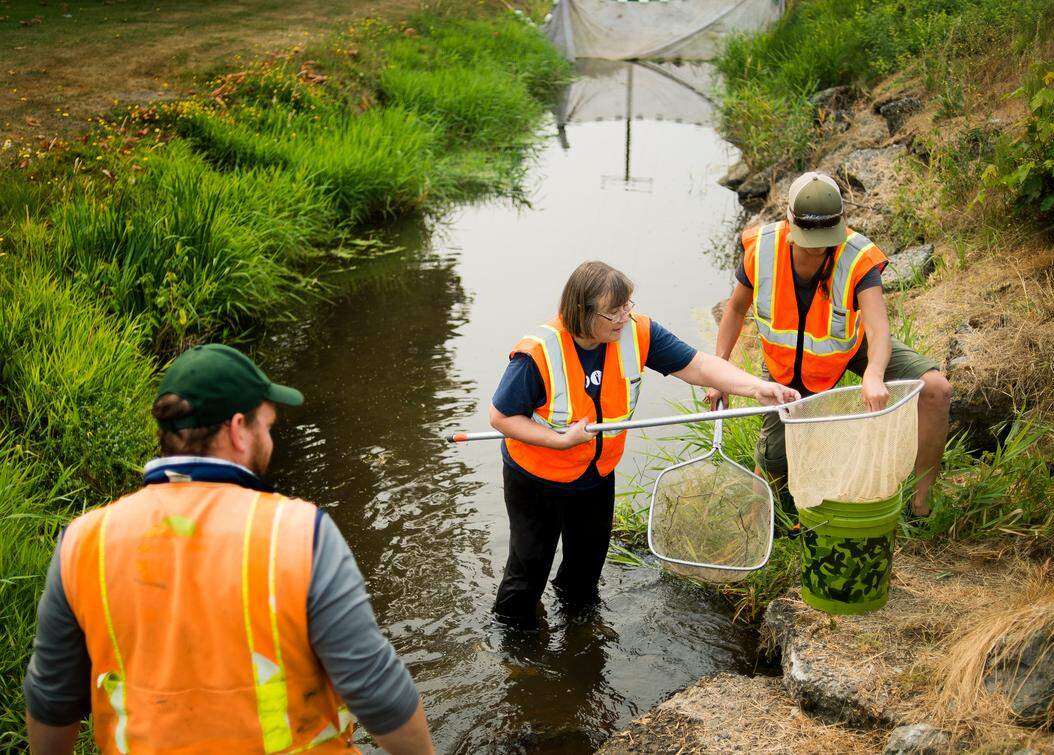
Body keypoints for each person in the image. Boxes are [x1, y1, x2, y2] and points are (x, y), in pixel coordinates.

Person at [23, 344, 435, 755]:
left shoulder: (82, 541)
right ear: (238, 429)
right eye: (267, 427)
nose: (268, 441)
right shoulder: (298, 533)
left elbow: (51, 700)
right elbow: (376, 690)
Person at [489, 261, 800, 625]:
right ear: (581, 312)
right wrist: (558, 441)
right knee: (528, 571)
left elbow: (699, 366)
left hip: (595, 476)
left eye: (627, 306)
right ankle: (516, 650)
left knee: (586, 571)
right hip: (536, 480)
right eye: (613, 312)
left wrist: (757, 387)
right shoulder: (538, 353)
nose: (623, 318)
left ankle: (579, 636)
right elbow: (501, 417)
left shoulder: (637, 332)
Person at [706, 172, 952, 516]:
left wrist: (875, 374)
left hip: (847, 345)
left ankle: (920, 505)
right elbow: (734, 309)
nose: (818, 245)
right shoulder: (762, 249)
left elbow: (878, 330)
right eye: (809, 235)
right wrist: (720, 369)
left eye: (825, 236)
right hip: (785, 365)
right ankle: (767, 510)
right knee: (775, 461)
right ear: (791, 220)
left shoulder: (857, 257)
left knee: (935, 390)